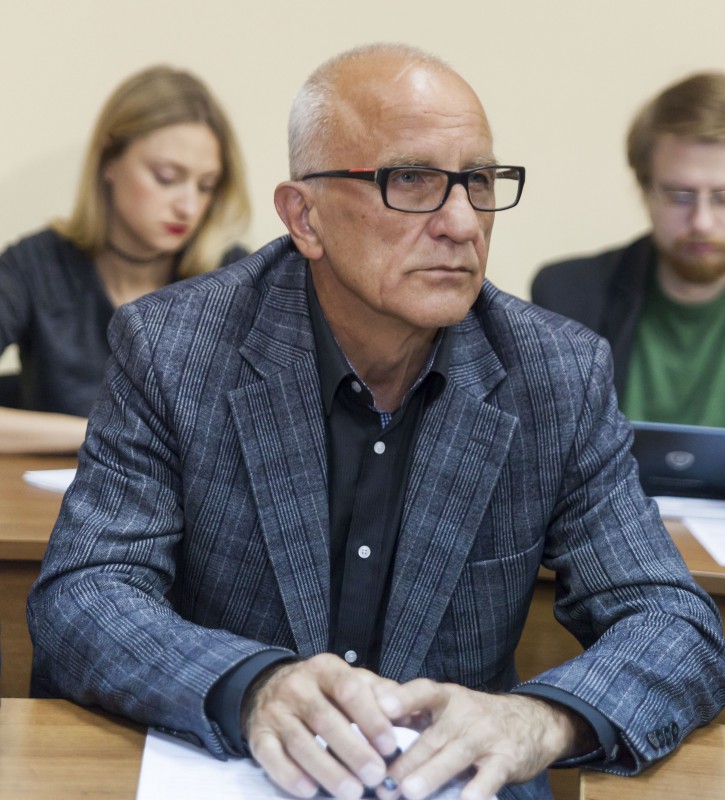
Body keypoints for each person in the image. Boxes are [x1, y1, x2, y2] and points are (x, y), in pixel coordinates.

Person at [28, 44, 724, 800]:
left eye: (479, 182)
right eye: (412, 180)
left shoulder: (555, 375)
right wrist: (253, 686)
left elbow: (672, 621)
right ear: (305, 217)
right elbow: (85, 593)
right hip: (234, 774)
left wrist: (540, 719)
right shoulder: (175, 349)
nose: (462, 222)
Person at [0, 64, 250, 454]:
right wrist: (100, 433)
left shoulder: (233, 278)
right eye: (166, 177)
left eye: (206, 186)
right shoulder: (35, 265)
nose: (188, 206)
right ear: (109, 161)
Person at [531, 72, 725, 426]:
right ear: (645, 191)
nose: (702, 222)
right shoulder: (568, 297)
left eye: (722, 198)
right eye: (680, 196)